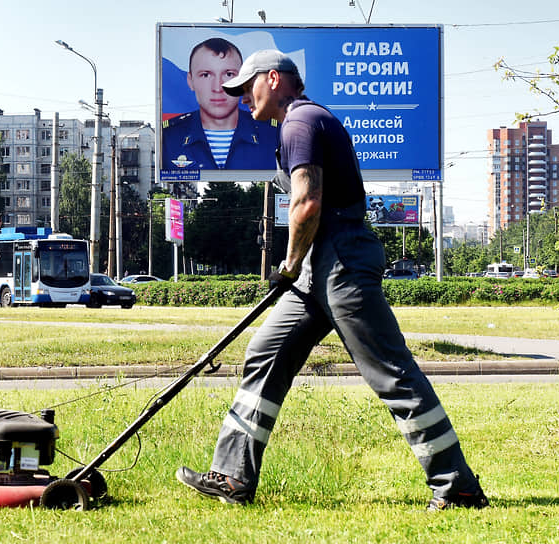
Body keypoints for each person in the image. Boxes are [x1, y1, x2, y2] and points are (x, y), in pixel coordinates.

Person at [175, 50, 489, 511]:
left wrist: (287, 265)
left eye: (248, 87)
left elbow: (306, 203)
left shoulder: (301, 123)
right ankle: (232, 476)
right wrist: (298, 269)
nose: (242, 97)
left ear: (275, 79)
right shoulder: (298, 125)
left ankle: (456, 485)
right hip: (318, 265)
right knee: (265, 352)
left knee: (389, 371)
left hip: (340, 259)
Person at [161, 38, 279, 171]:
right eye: (206, 75)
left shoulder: (274, 134)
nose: (218, 87)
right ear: (190, 81)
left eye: (229, 74)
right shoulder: (168, 137)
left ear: (242, 81)